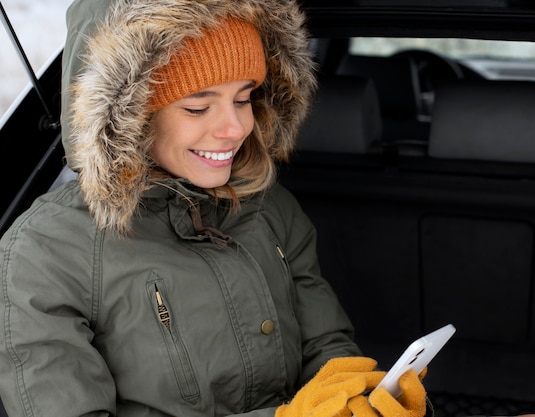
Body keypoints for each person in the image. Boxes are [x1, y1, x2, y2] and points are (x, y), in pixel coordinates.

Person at [0, 0, 429, 416]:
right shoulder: (44, 253)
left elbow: (327, 346)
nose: (236, 127)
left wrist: (359, 396)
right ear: (126, 116)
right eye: (198, 106)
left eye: (244, 99)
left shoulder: (269, 205)